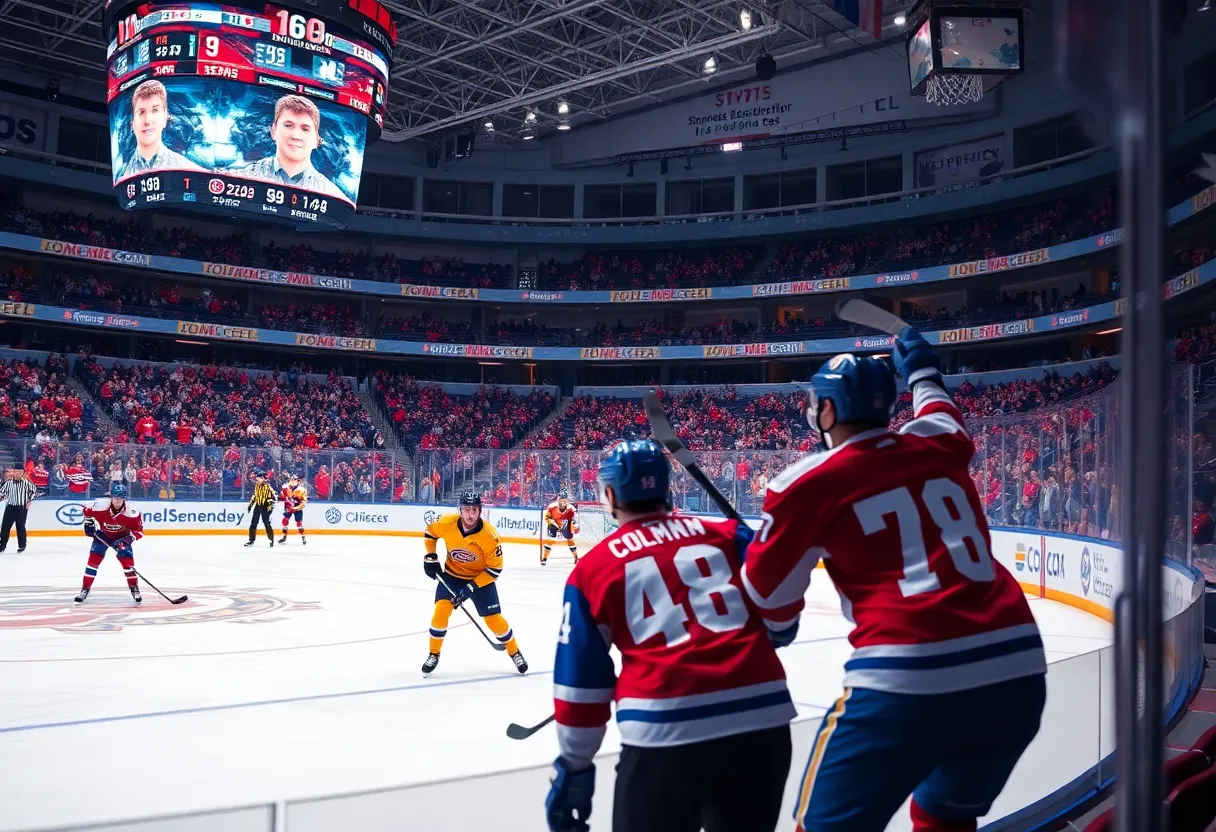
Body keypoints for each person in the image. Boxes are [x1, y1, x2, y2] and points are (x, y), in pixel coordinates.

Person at [740, 330, 1047, 832]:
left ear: (830, 412)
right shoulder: (942, 438)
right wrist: (923, 369)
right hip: (1017, 671)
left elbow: (771, 614)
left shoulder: (803, 483)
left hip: (905, 678)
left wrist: (754, 552)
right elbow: (936, 402)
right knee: (944, 816)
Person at [546, 439, 796, 832]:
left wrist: (575, 765)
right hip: (763, 723)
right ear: (666, 487)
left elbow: (581, 684)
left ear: (609, 494)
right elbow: (781, 608)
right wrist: (779, 627)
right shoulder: (729, 535)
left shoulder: (593, 570)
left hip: (665, 732)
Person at [421, 491, 527, 675]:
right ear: (460, 510)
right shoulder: (447, 523)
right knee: (441, 611)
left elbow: (495, 570)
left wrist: (471, 587)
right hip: (452, 576)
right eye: (467, 509)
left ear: (480, 511)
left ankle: (515, 652)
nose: (470, 514)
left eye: (474, 510)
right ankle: (433, 654)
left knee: (494, 620)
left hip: (481, 579)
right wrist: (430, 556)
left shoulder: (490, 536)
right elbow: (430, 533)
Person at [236, 95, 345, 199]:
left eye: (305, 129)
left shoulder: (333, 195)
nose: (296, 136)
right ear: (273, 131)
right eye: (288, 125)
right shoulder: (242, 178)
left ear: (317, 140)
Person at [114, 79, 202, 181]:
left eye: (155, 110)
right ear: (132, 124)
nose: (148, 120)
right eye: (141, 112)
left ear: (165, 118)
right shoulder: (121, 175)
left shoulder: (187, 168)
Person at [75, 483, 144, 604]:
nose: (117, 501)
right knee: (92, 563)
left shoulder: (132, 513)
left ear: (124, 499)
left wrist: (126, 541)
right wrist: (88, 522)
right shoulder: (100, 506)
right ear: (111, 497)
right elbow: (85, 510)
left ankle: (134, 589)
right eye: (115, 497)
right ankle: (85, 589)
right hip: (103, 536)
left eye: (120, 498)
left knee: (128, 566)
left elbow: (139, 532)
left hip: (122, 537)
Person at [0, 467, 37, 553]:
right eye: (17, 471)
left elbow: (34, 491)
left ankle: (22, 545)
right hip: (10, 507)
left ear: (23, 473)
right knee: (5, 527)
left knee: (20, 526)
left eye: (21, 471)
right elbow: (1, 492)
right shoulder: (7, 483)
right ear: (14, 472)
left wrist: (29, 501)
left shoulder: (26, 483)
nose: (18, 473)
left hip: (21, 508)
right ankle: (2, 545)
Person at [541, 489, 580, 565]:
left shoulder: (571, 508)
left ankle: (576, 557)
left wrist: (573, 526)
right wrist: (554, 525)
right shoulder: (552, 506)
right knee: (550, 541)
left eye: (563, 498)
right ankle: (544, 558)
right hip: (554, 526)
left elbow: (574, 519)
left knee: (570, 540)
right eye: (560, 498)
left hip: (565, 526)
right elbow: (547, 518)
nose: (562, 500)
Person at [245, 468, 276, 548]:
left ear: (262, 478)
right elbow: (255, 496)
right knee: (253, 523)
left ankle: (271, 539)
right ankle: (251, 540)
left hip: (265, 506)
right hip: (258, 506)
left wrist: (270, 507)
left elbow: (271, 498)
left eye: (258, 477)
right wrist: (250, 505)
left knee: (266, 523)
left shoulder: (267, 487)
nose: (256, 479)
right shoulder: (257, 485)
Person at [278, 473, 308, 545]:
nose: (292, 481)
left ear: (298, 481)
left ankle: (303, 536)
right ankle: (284, 536)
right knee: (285, 521)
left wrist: (295, 508)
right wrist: (282, 494)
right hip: (288, 506)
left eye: (294, 480)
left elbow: (304, 502)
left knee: (299, 523)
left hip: (297, 507)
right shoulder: (286, 488)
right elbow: (283, 497)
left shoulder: (301, 490)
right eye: (291, 480)